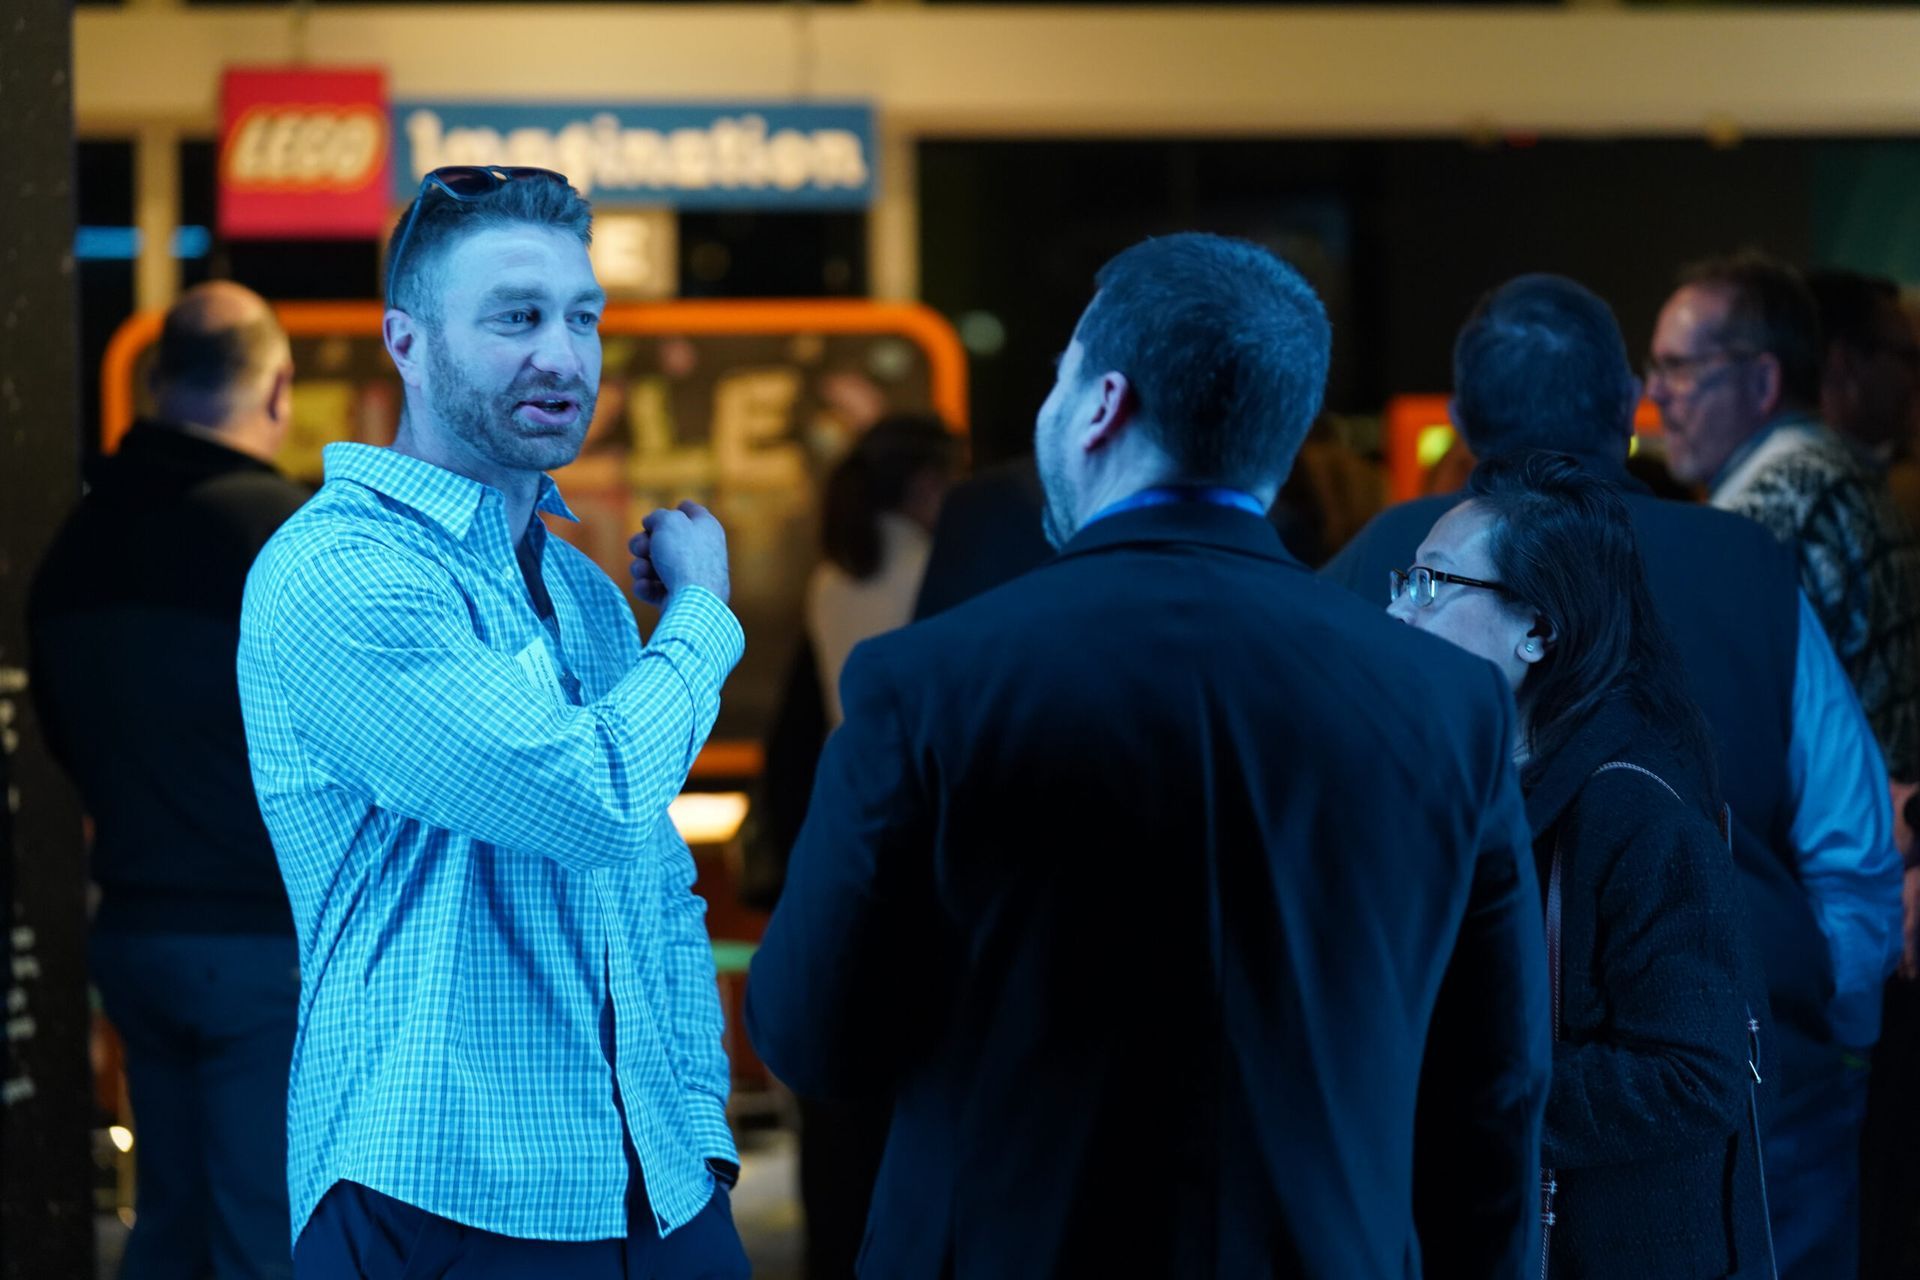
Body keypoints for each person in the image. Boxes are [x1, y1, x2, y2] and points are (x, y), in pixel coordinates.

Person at [746, 232, 1551, 1278]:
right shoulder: (1447, 703)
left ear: (1101, 406)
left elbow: (814, 1037)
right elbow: (1494, 1092)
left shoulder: (927, 682)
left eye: (1056, 378)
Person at [1324, 273, 1902, 1280]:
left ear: (1461, 420)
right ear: (1625, 398)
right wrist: (1829, 1034)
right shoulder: (1745, 561)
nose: (1407, 606)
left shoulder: (1380, 561)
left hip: (1487, 1121)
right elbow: (1849, 846)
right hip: (1764, 1100)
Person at [236, 165, 749, 1278]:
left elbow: (656, 891)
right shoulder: (337, 570)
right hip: (443, 1187)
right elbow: (597, 795)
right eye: (516, 317)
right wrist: (704, 614)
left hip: (657, 1188)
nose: (563, 357)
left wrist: (699, 1130)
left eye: (583, 316)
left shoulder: (590, 594)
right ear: (406, 340)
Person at [1391, 451, 1774, 1278]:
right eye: (1401, 581)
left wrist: (1468, 1088)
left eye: (1431, 584)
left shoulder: (1630, 810)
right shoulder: (1481, 782)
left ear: (1538, 629)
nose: (1397, 612)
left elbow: (1694, 1075)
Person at [29, 281, 308, 1279]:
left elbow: (57, 734)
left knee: (170, 1227)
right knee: (265, 1234)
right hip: (263, 942)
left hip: (136, 936)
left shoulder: (79, 541)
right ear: (276, 389)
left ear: (158, 385)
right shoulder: (290, 542)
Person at [808, 414, 961, 727]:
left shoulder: (830, 577)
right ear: (928, 483)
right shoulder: (940, 569)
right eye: (960, 476)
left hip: (850, 769)